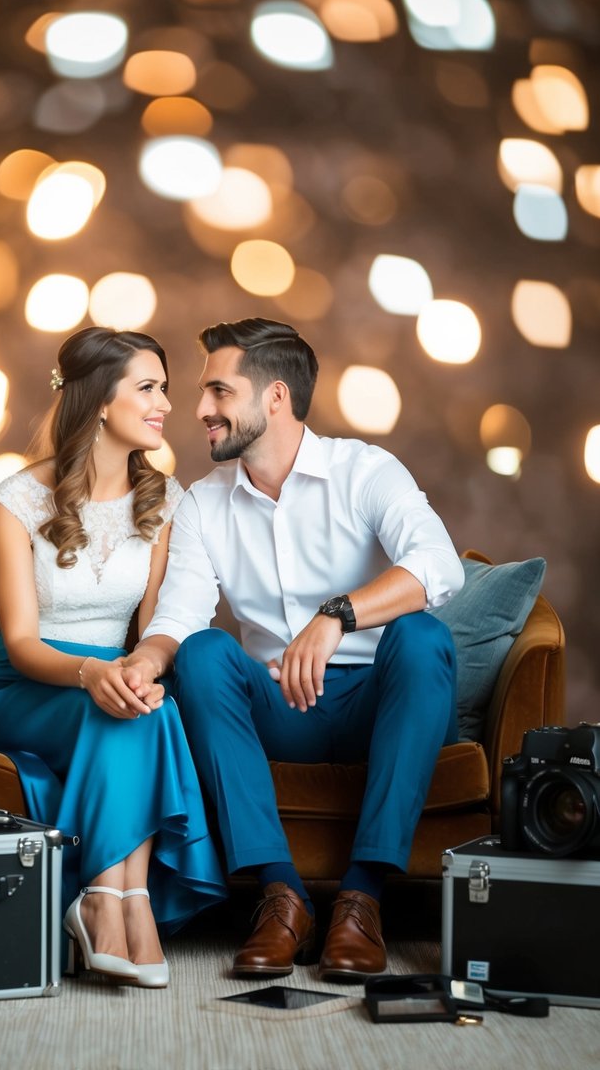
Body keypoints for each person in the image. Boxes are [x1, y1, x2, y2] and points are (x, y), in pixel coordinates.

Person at [123, 317, 464, 981]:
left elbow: (439, 565)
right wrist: (143, 660)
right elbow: (180, 616)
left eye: (218, 392)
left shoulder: (364, 470)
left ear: (273, 397)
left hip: (383, 707)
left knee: (422, 636)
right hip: (282, 709)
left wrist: (337, 615)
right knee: (201, 653)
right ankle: (281, 898)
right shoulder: (201, 503)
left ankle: (362, 899)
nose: (198, 411)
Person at [0, 326, 226, 989]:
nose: (165, 404)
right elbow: (24, 643)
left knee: (146, 706)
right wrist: (91, 673)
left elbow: (153, 630)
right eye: (147, 388)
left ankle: (119, 901)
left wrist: (134, 672)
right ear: (96, 399)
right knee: (115, 709)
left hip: (115, 677)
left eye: (164, 390)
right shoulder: (15, 497)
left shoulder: (168, 501)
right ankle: (111, 898)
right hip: (24, 686)